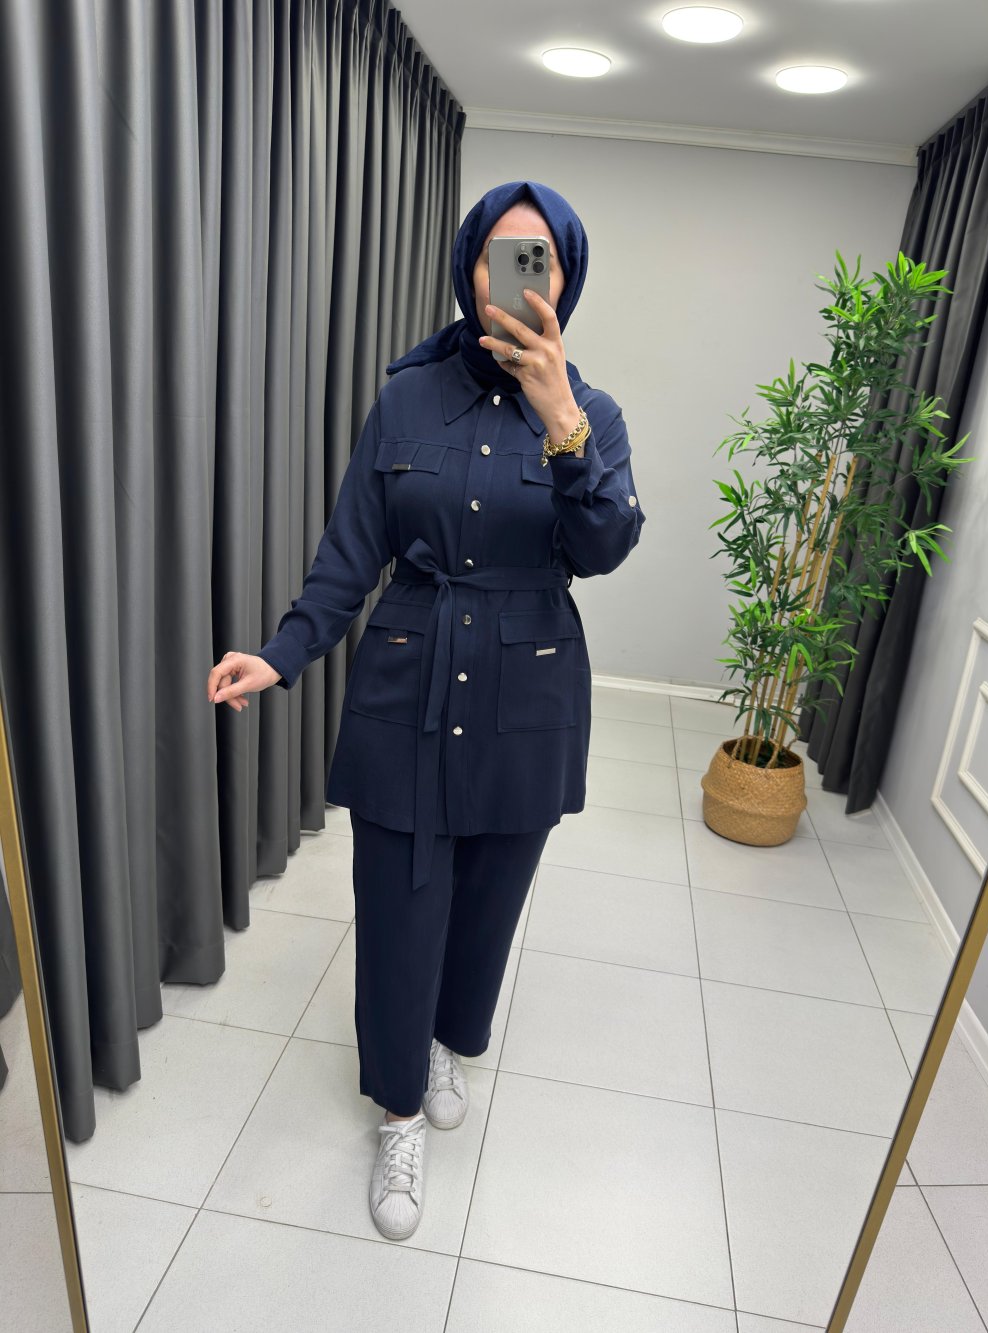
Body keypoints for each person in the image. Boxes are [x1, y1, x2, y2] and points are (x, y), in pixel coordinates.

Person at [205, 180, 645, 1242]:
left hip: (530, 687)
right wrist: (282, 652)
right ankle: (398, 1111)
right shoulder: (403, 399)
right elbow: (350, 552)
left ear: (566, 280)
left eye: (539, 260)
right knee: (401, 907)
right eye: (500, 255)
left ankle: (450, 1044)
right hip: (407, 677)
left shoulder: (594, 413)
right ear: (468, 268)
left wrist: (561, 422)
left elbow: (603, 549)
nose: (518, 278)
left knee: (488, 902)